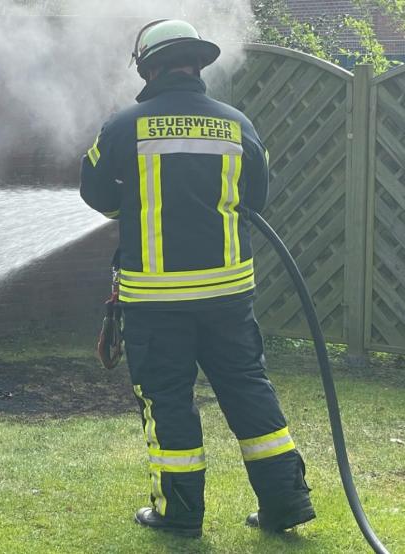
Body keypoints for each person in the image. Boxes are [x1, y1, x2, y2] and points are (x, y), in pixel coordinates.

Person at [80, 19, 315, 538]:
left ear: (148, 65)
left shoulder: (125, 126)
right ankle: (286, 503)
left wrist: (133, 204)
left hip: (155, 302)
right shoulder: (238, 125)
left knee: (167, 401)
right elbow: (255, 201)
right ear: (196, 64)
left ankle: (180, 513)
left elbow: (94, 192)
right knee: (248, 389)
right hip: (229, 298)